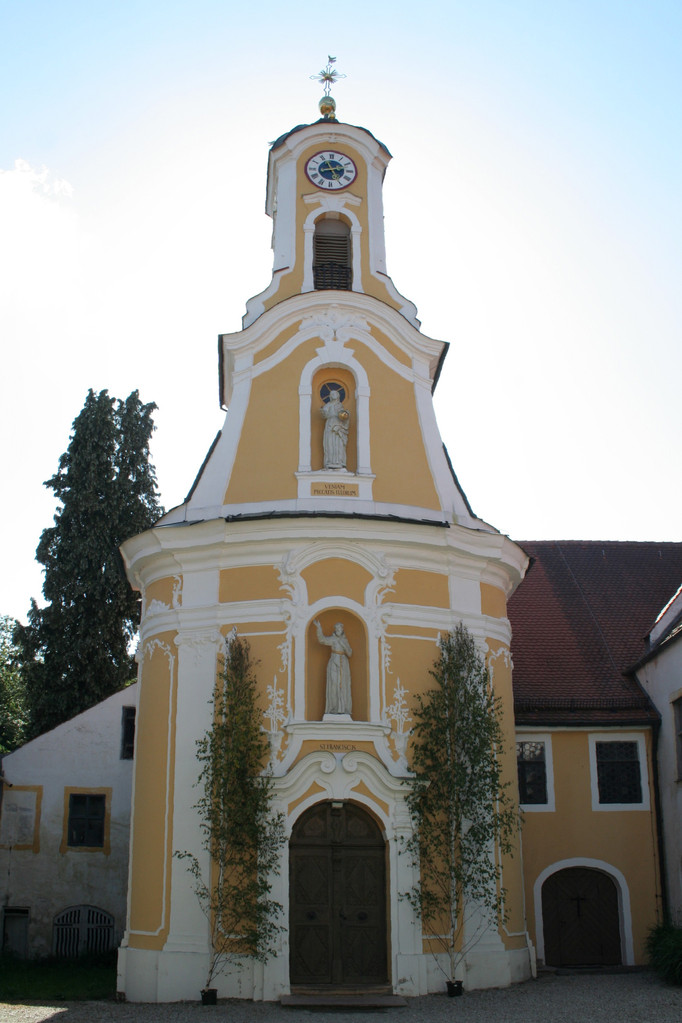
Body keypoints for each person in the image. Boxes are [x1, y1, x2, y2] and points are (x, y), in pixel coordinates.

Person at [314, 620, 352, 715]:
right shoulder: (332, 639)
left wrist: (343, 644)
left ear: (342, 630)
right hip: (334, 662)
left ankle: (343, 708)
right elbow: (322, 640)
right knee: (333, 684)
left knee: (343, 685)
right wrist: (319, 628)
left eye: (340, 628)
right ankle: (333, 708)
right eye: (337, 628)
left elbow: (350, 653)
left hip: (343, 663)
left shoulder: (345, 640)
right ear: (335, 630)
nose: (338, 630)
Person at [321, 390, 350, 469]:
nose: (333, 395)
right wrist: (323, 412)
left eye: (335, 393)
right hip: (330, 424)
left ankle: (339, 461)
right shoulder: (328, 405)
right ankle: (330, 461)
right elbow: (324, 414)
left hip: (338, 424)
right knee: (329, 442)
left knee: (338, 443)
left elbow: (344, 416)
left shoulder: (340, 405)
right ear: (330, 396)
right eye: (332, 394)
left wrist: (346, 414)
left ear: (338, 396)